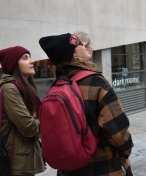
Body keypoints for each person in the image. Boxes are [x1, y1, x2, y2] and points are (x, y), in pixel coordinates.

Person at [39, 31, 134, 176]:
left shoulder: (55, 87)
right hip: (102, 167)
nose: (86, 47)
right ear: (74, 55)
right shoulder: (96, 82)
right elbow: (118, 131)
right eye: (79, 45)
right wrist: (126, 153)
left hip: (68, 169)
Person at [0, 46, 46, 175]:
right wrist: (49, 122)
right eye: (25, 58)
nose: (32, 61)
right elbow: (28, 126)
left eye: (30, 57)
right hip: (15, 161)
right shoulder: (10, 88)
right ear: (14, 64)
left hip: (25, 157)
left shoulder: (26, 88)